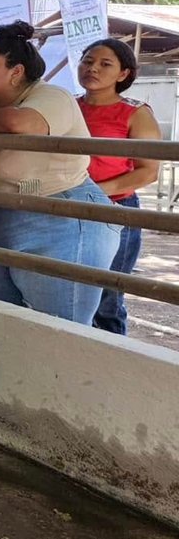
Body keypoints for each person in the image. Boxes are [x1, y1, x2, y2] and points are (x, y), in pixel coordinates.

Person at [0, 21, 120, 326]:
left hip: (58, 219)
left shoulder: (52, 96)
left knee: (59, 327)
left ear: (16, 72)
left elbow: (20, 123)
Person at [77, 39, 160, 334]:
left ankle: (109, 353)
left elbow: (147, 172)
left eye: (105, 64)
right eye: (88, 61)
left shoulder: (136, 113)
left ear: (123, 74)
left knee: (107, 297)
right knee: (65, 285)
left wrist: (92, 194)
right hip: (64, 207)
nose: (92, 69)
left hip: (114, 209)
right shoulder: (67, 106)